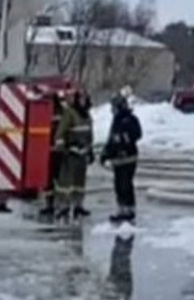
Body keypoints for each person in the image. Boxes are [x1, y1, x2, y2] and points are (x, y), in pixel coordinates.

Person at [52, 87, 94, 221]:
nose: (82, 101)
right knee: (66, 183)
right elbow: (60, 133)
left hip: (82, 154)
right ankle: (63, 206)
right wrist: (63, 148)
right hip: (70, 153)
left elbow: (89, 134)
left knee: (79, 183)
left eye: (84, 99)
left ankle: (78, 206)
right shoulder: (69, 113)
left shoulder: (87, 115)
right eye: (80, 98)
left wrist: (90, 150)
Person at [100, 92, 143, 223]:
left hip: (128, 158)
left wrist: (125, 141)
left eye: (114, 107)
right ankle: (122, 209)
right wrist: (105, 154)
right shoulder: (117, 120)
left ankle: (128, 210)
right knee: (119, 185)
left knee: (125, 185)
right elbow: (112, 139)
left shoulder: (130, 120)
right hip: (118, 161)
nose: (112, 110)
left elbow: (137, 134)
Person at [38, 89, 67, 221]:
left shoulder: (59, 113)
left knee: (56, 179)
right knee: (50, 180)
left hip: (56, 151)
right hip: (51, 151)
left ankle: (57, 204)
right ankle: (53, 203)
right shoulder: (61, 113)